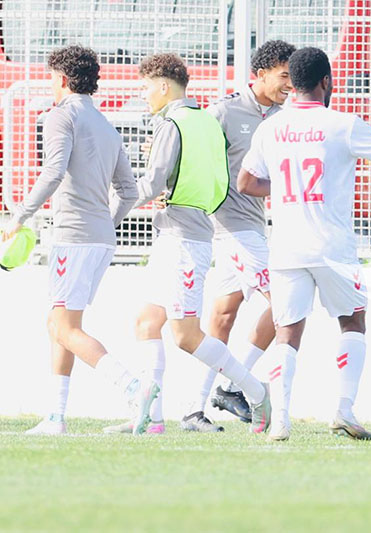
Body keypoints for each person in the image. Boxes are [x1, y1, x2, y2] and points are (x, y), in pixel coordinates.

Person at [237, 47, 371, 441]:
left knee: (287, 331)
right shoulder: (342, 123)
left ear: (293, 82)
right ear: (326, 81)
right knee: (352, 320)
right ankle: (343, 409)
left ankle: (281, 420)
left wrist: (292, 190)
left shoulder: (270, 127)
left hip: (286, 246)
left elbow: (247, 183)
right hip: (333, 247)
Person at [105, 53, 272, 434]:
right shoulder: (204, 120)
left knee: (185, 336)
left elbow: (150, 182)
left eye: (147, 87)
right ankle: (153, 419)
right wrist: (182, 198)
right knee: (147, 321)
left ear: (164, 86)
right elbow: (216, 181)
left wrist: (109, 217)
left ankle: (254, 390)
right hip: (182, 233)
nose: (145, 95)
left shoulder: (173, 123)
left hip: (184, 240)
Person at [2, 45, 156, 436]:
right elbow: (128, 189)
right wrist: (107, 222)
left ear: (64, 79)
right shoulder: (105, 124)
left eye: (53, 78)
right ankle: (56, 416)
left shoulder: (60, 115)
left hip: (73, 235)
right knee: (61, 324)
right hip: (101, 240)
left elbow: (54, 169)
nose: (51, 85)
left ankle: (133, 387)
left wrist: (18, 216)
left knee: (64, 327)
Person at [182, 40, 297, 432]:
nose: (290, 84)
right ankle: (237, 385)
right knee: (286, 303)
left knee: (223, 316)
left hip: (254, 226)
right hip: (230, 227)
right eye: (284, 76)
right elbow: (191, 156)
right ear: (260, 73)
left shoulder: (284, 118)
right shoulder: (225, 112)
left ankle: (193, 408)